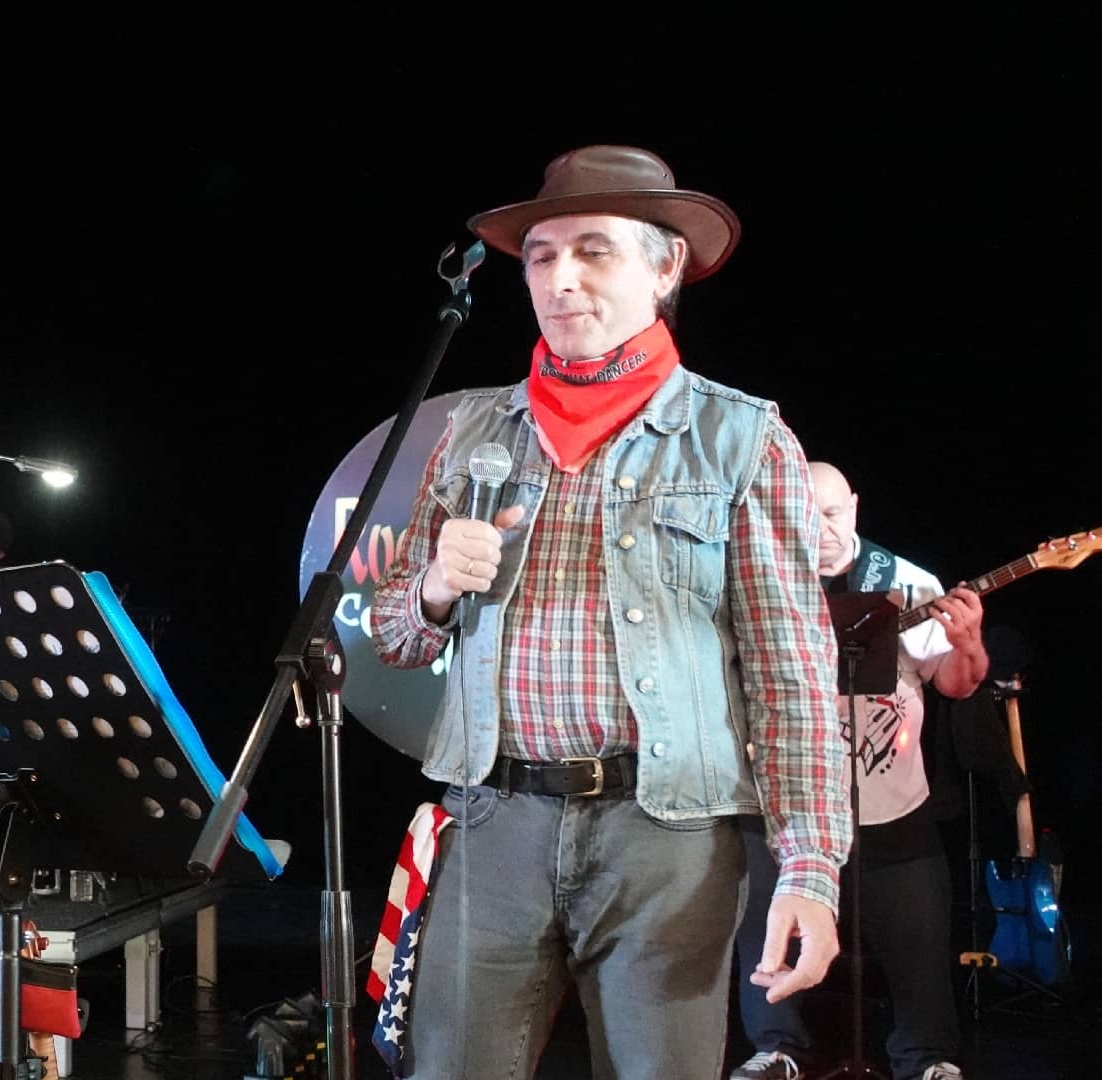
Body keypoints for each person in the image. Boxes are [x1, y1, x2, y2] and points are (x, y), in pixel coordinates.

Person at [367, 145, 850, 1079]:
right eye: (542, 256)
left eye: (595, 251)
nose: (561, 279)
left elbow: (792, 678)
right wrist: (429, 589)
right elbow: (393, 634)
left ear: (665, 268)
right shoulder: (470, 431)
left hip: (665, 840)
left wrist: (810, 869)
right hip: (492, 816)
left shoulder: (743, 438)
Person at [727, 461, 984, 1080]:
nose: (824, 528)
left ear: (857, 508)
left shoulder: (903, 581)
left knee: (918, 941)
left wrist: (969, 642)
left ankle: (927, 1059)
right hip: (784, 802)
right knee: (767, 928)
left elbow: (955, 682)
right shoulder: (761, 583)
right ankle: (776, 1047)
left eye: (836, 513)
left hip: (892, 802)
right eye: (807, 514)